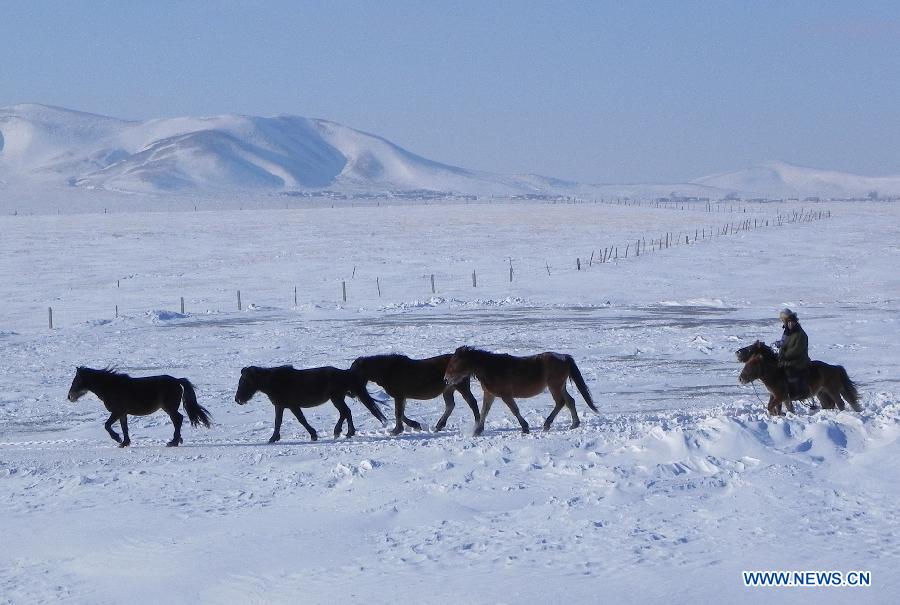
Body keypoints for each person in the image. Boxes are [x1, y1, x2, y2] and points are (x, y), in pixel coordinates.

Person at [775, 308, 810, 398]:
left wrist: (783, 356)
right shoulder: (787, 332)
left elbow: (796, 350)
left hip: (798, 361)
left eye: (785, 320)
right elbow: (784, 343)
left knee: (789, 372)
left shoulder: (800, 334)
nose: (784, 323)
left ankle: (796, 393)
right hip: (787, 359)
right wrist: (777, 344)